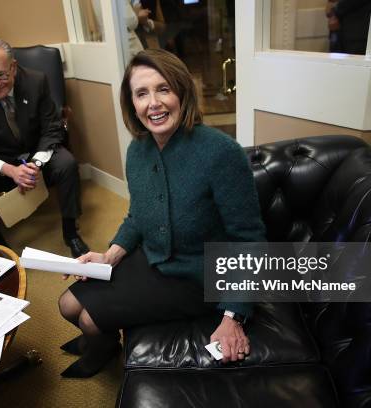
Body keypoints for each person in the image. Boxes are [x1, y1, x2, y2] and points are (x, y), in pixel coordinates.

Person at [57, 49, 265, 378]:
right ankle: (107, 342)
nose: (153, 103)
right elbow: (138, 215)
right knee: (67, 304)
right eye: (142, 93)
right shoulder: (137, 151)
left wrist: (232, 317)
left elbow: (249, 240)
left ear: (182, 92)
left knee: (87, 319)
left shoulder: (221, 153)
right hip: (154, 258)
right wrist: (109, 256)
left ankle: (101, 347)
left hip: (202, 277)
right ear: (132, 103)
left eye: (163, 89)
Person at [0, 38, 89, 258]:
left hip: (36, 150)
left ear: (14, 67)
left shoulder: (36, 82)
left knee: (66, 164)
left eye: (1, 75)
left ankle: (70, 231)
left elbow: (52, 128)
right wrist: (10, 170)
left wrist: (35, 165)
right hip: (0, 158)